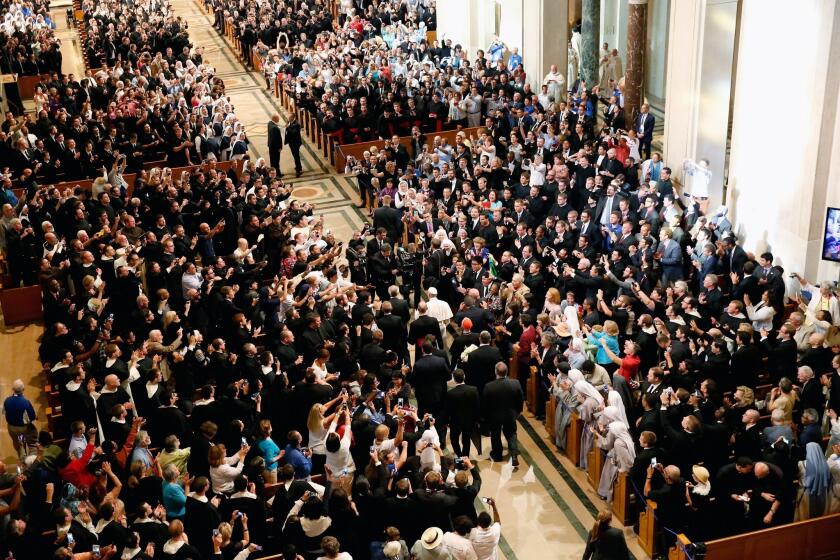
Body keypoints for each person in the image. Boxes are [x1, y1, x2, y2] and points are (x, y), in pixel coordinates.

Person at [482, 362, 523, 466]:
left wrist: (485, 417)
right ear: (506, 371)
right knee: (511, 433)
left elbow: (485, 404)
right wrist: (517, 412)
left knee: (495, 434)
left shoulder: (489, 386)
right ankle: (514, 453)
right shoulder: (516, 383)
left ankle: (497, 455)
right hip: (510, 414)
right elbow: (520, 399)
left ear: (495, 372)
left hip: (494, 416)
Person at [4, 379, 37, 456]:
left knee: (17, 444)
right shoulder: (25, 402)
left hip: (11, 428)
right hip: (24, 428)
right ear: (23, 389)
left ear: (13, 389)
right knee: (33, 443)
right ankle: (31, 460)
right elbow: (32, 416)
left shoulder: (7, 400)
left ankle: (22, 459)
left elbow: (4, 413)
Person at [285, 113, 303, 177]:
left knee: (296, 156)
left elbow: (293, 132)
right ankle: (299, 167)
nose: (288, 118)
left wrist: (288, 127)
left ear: (293, 117)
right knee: (295, 155)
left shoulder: (297, 124)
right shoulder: (289, 122)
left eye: (289, 117)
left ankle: (298, 170)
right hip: (291, 142)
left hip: (296, 143)